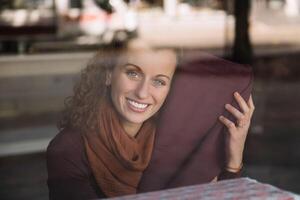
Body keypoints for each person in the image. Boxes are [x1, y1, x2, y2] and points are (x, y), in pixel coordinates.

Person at [47, 46, 254, 199]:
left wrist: (232, 163)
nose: (143, 92)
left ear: (170, 89)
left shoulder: (171, 142)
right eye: (133, 73)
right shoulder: (67, 150)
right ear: (109, 74)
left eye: (159, 81)